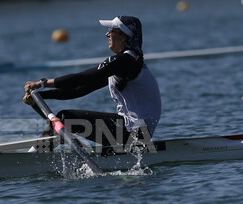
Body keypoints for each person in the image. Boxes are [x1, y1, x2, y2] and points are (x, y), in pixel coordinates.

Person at [24, 15, 161, 151]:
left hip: (134, 133)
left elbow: (83, 77)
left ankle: (34, 157)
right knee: (65, 119)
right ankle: (41, 153)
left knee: (67, 118)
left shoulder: (126, 61)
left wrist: (42, 83)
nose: (107, 34)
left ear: (124, 36)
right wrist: (43, 96)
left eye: (111, 30)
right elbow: (80, 89)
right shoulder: (127, 62)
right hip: (134, 132)